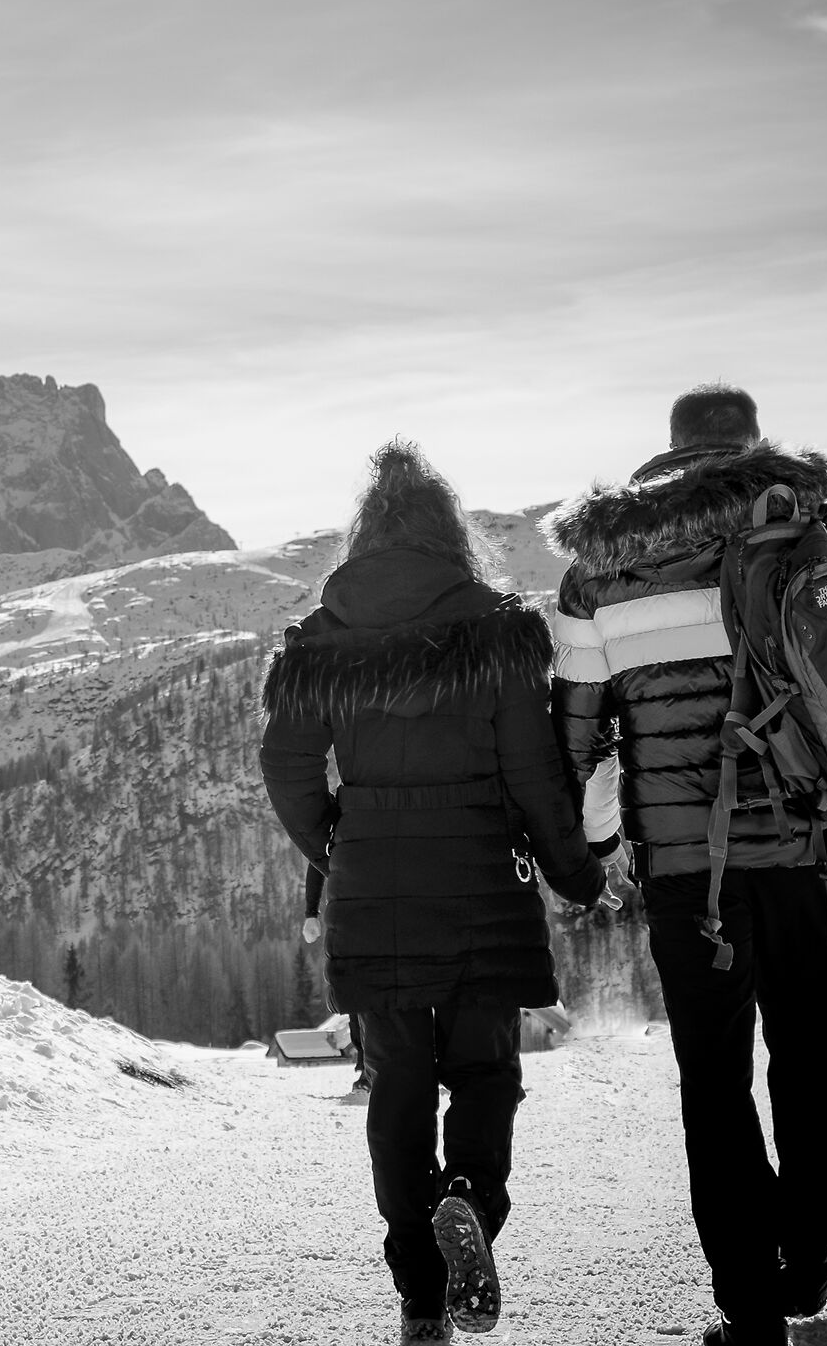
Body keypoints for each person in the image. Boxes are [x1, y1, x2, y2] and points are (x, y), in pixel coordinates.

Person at [542, 385, 827, 1346]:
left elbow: (574, 741)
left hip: (686, 867)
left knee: (713, 1079)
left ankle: (749, 1307)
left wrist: (599, 845)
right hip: (812, 841)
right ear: (752, 443)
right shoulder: (815, 521)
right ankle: (809, 1255)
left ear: (668, 452)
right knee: (809, 1051)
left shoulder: (597, 567)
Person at [261, 440, 606, 1345]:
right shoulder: (494, 630)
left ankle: (418, 1287)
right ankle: (471, 1201)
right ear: (450, 533)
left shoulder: (323, 640)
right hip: (483, 879)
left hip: (374, 883)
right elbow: (533, 774)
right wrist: (577, 872)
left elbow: (287, 767)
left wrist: (338, 847)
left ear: (365, 535)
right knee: (486, 1073)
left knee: (399, 1086)